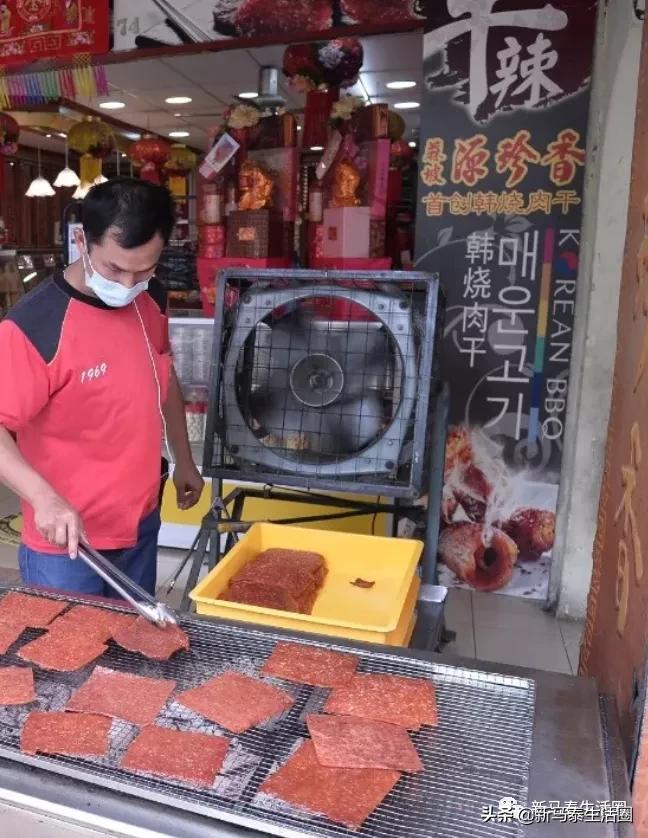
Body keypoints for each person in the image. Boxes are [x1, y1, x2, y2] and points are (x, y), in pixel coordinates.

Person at [0, 177, 204, 596]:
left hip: (142, 525)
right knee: (66, 660)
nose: (129, 285)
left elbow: (163, 380)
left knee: (134, 654)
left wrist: (183, 459)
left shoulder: (152, 299)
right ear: (83, 240)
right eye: (114, 269)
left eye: (145, 269)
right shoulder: (35, 325)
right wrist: (43, 498)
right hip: (67, 544)